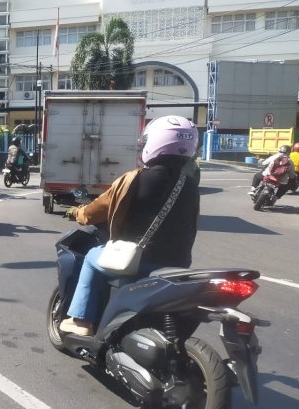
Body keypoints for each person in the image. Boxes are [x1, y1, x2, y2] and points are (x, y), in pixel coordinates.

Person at [59, 116, 200, 336]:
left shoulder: (134, 179)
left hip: (137, 261)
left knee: (90, 258)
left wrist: (77, 212)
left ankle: (81, 321)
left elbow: (95, 210)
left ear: (154, 143)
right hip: (177, 264)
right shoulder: (190, 184)